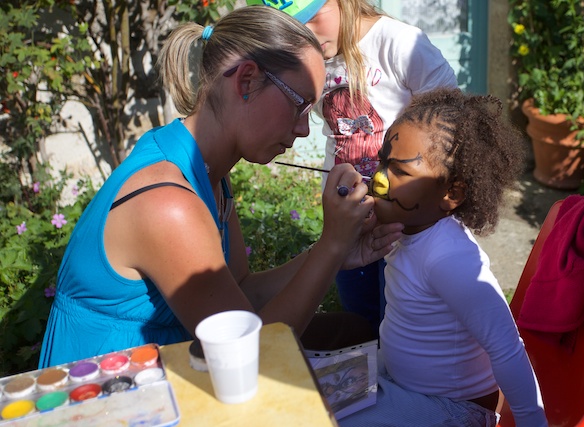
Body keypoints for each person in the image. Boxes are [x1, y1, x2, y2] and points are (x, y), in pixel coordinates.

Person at [38, 6, 404, 368]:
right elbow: (251, 353)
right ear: (245, 80)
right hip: (104, 399)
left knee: (354, 332)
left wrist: (333, 253)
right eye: (300, 106)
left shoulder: (206, 171)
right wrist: (332, 246)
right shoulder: (169, 203)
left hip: (153, 381)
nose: (304, 129)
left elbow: (242, 292)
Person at [247, 0, 458, 337]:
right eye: (295, 27)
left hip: (407, 223)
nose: (308, 36)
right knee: (361, 320)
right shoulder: (313, 57)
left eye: (313, 18)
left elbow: (451, 118)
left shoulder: (399, 44)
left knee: (402, 320)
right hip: (351, 219)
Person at [340, 88, 548, 426]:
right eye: (381, 162)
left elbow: (507, 348)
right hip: (403, 386)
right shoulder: (406, 225)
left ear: (450, 193)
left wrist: (532, 423)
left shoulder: (449, 258)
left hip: (453, 410)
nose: (377, 179)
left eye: (399, 171)